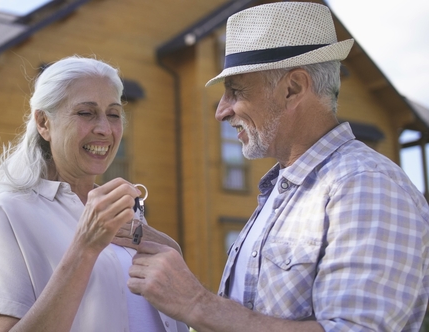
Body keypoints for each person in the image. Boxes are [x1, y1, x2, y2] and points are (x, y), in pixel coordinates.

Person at [127, 2, 429, 331]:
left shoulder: (367, 186)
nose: (221, 111)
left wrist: (196, 303)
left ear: (293, 88)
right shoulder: (287, 191)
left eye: (235, 91)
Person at [0, 56, 188, 332]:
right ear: (44, 123)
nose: (105, 129)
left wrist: (169, 249)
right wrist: (85, 246)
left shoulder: (125, 213)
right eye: (86, 113)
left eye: (114, 114)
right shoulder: (7, 212)